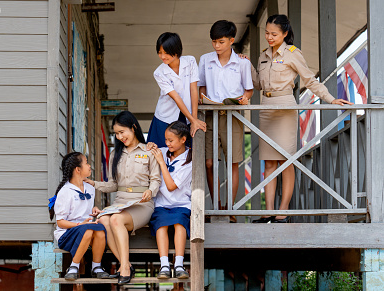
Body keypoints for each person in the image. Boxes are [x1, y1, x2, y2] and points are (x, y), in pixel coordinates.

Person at [249, 14, 352, 223]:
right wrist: (246, 67)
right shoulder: (262, 55)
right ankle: (267, 211)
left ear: (285, 34)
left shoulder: (293, 54)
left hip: (285, 107)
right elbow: (258, 83)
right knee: (268, 162)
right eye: (267, 33)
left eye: (274, 34)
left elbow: (310, 80)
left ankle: (282, 211)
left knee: (287, 161)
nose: (269, 37)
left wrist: (331, 99)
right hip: (266, 107)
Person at [85, 110, 161, 284]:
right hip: (120, 202)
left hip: (141, 203)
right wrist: (94, 183)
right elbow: (113, 185)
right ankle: (125, 264)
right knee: (104, 220)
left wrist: (150, 191)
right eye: (116, 134)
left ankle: (124, 267)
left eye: (122, 132)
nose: (119, 137)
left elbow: (156, 180)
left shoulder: (149, 151)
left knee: (116, 220)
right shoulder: (115, 155)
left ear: (133, 127)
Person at [198, 20, 253, 216]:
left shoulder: (243, 62)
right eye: (214, 42)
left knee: (232, 161)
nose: (217, 46)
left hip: (233, 115)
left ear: (231, 40)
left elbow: (249, 89)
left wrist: (245, 99)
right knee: (209, 162)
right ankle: (216, 205)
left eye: (221, 42)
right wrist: (202, 98)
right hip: (211, 115)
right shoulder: (205, 59)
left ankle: (230, 209)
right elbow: (202, 86)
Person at [49, 152, 109, 281]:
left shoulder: (90, 188)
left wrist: (94, 210)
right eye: (86, 162)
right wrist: (80, 225)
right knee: (87, 230)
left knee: (101, 230)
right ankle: (73, 266)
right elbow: (60, 223)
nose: (89, 166)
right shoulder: (65, 192)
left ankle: (96, 266)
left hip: (85, 229)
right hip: (67, 234)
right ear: (78, 170)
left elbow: (84, 210)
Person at [147, 121, 193, 279]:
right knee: (161, 225)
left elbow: (171, 186)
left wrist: (161, 162)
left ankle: (179, 264)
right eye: (166, 140)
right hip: (161, 203)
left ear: (183, 139)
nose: (167, 143)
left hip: (181, 203)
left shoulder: (190, 160)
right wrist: (149, 147)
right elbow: (145, 155)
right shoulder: (163, 151)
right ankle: (164, 264)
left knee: (180, 223)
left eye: (171, 140)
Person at [148, 32, 206, 149]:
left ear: (176, 51)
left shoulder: (190, 61)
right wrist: (192, 120)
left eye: (166, 53)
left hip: (186, 115)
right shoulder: (159, 72)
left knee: (187, 152)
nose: (162, 56)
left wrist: (194, 119)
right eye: (160, 53)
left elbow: (193, 90)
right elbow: (176, 97)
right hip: (165, 117)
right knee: (161, 152)